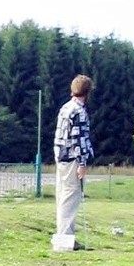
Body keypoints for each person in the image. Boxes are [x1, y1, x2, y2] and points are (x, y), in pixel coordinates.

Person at [51, 75, 93, 250]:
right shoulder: (79, 112)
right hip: (72, 160)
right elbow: (79, 139)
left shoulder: (65, 108)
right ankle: (65, 238)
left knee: (62, 196)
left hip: (61, 157)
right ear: (87, 92)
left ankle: (65, 236)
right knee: (70, 198)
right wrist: (82, 163)